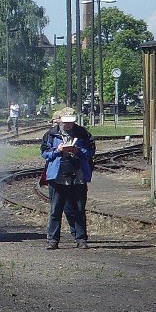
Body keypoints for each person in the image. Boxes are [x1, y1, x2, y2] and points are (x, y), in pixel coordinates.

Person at [40, 107, 95, 250]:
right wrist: (57, 151)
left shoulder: (83, 134)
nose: (68, 125)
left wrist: (78, 151)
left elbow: (91, 151)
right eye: (65, 122)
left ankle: (81, 239)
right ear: (60, 121)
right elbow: (44, 153)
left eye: (71, 122)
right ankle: (53, 240)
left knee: (79, 209)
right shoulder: (50, 135)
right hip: (57, 177)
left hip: (78, 177)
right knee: (55, 210)